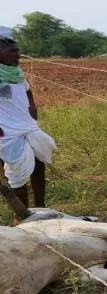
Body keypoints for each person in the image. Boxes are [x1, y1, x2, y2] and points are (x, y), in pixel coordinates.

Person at [0, 36, 57, 211]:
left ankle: (41, 207)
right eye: (12, 51)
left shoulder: (15, 73)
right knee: (18, 174)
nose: (17, 54)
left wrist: (32, 107)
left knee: (39, 166)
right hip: (8, 132)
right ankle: (23, 214)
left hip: (28, 125)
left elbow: (27, 91)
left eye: (17, 50)